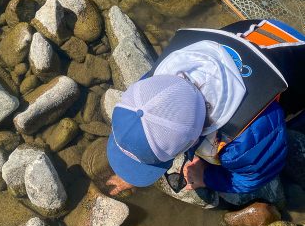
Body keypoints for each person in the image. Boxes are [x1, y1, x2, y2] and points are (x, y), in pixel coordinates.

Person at [106, 18, 305, 197]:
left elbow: (257, 174)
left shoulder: (242, 141)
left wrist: (207, 177)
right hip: (263, 31)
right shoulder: (157, 78)